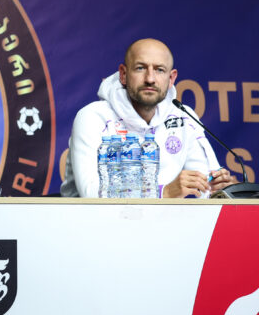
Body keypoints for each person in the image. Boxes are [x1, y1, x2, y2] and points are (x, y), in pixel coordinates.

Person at [61, 38, 237, 198]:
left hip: (166, 221)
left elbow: (205, 189)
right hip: (93, 221)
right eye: (140, 68)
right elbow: (91, 195)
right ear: (123, 74)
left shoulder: (184, 117)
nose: (150, 79)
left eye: (159, 70)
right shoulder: (93, 117)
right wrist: (163, 193)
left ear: (171, 78)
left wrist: (216, 188)